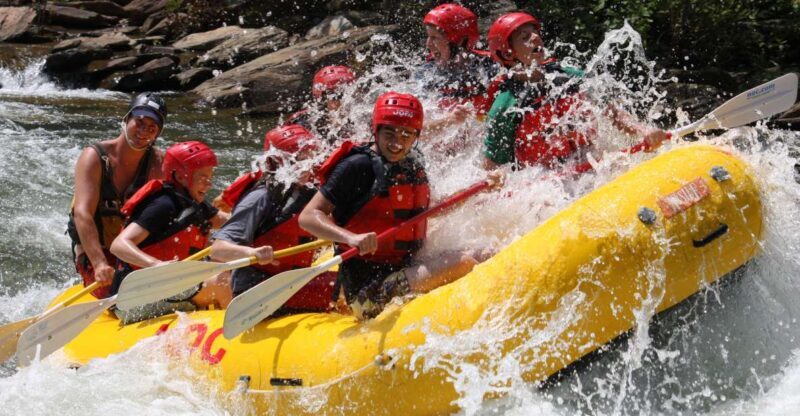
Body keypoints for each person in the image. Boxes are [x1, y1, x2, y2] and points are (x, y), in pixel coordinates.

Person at [299, 92, 501, 319]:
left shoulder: (412, 164)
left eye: (407, 135)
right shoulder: (356, 167)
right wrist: (350, 238)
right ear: (376, 130)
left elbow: (432, 210)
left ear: (416, 136)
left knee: (488, 252)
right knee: (463, 262)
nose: (397, 143)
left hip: (405, 265)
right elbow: (307, 217)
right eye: (390, 133)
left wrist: (480, 187)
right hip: (366, 290)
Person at [481, 12, 669, 171]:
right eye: (525, 37)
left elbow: (612, 112)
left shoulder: (567, 76)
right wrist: (497, 177)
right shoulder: (505, 108)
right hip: (546, 181)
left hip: (589, 163)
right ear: (508, 53)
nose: (536, 37)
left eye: (535, 32)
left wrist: (643, 130)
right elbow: (492, 166)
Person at [210, 125, 335, 311]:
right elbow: (217, 250)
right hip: (259, 290)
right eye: (301, 157)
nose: (309, 163)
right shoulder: (260, 197)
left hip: (292, 283)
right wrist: (252, 253)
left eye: (311, 155)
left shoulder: (308, 191)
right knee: (340, 288)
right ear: (279, 162)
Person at [109, 141, 230, 323]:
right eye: (202, 177)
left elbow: (227, 221)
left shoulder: (193, 202)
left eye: (210, 176)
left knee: (230, 264)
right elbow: (119, 245)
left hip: (168, 290)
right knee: (223, 282)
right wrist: (155, 265)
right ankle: (238, 334)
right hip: (136, 301)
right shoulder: (163, 204)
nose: (209, 183)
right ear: (180, 176)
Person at [67, 92, 166, 299]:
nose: (143, 131)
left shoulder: (158, 163)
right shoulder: (94, 157)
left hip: (130, 248)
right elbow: (82, 213)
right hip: (95, 250)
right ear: (126, 119)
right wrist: (99, 263)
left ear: (157, 134)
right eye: (139, 122)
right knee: (114, 295)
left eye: (151, 127)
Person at [422, 4, 499, 132]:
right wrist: (450, 120)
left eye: (434, 37)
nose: (428, 44)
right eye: (428, 37)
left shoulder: (490, 67)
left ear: (459, 41)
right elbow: (411, 131)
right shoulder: (426, 72)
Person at [284, 65, 358, 144]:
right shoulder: (304, 123)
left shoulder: (362, 118)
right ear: (323, 100)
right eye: (336, 96)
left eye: (346, 94)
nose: (343, 101)